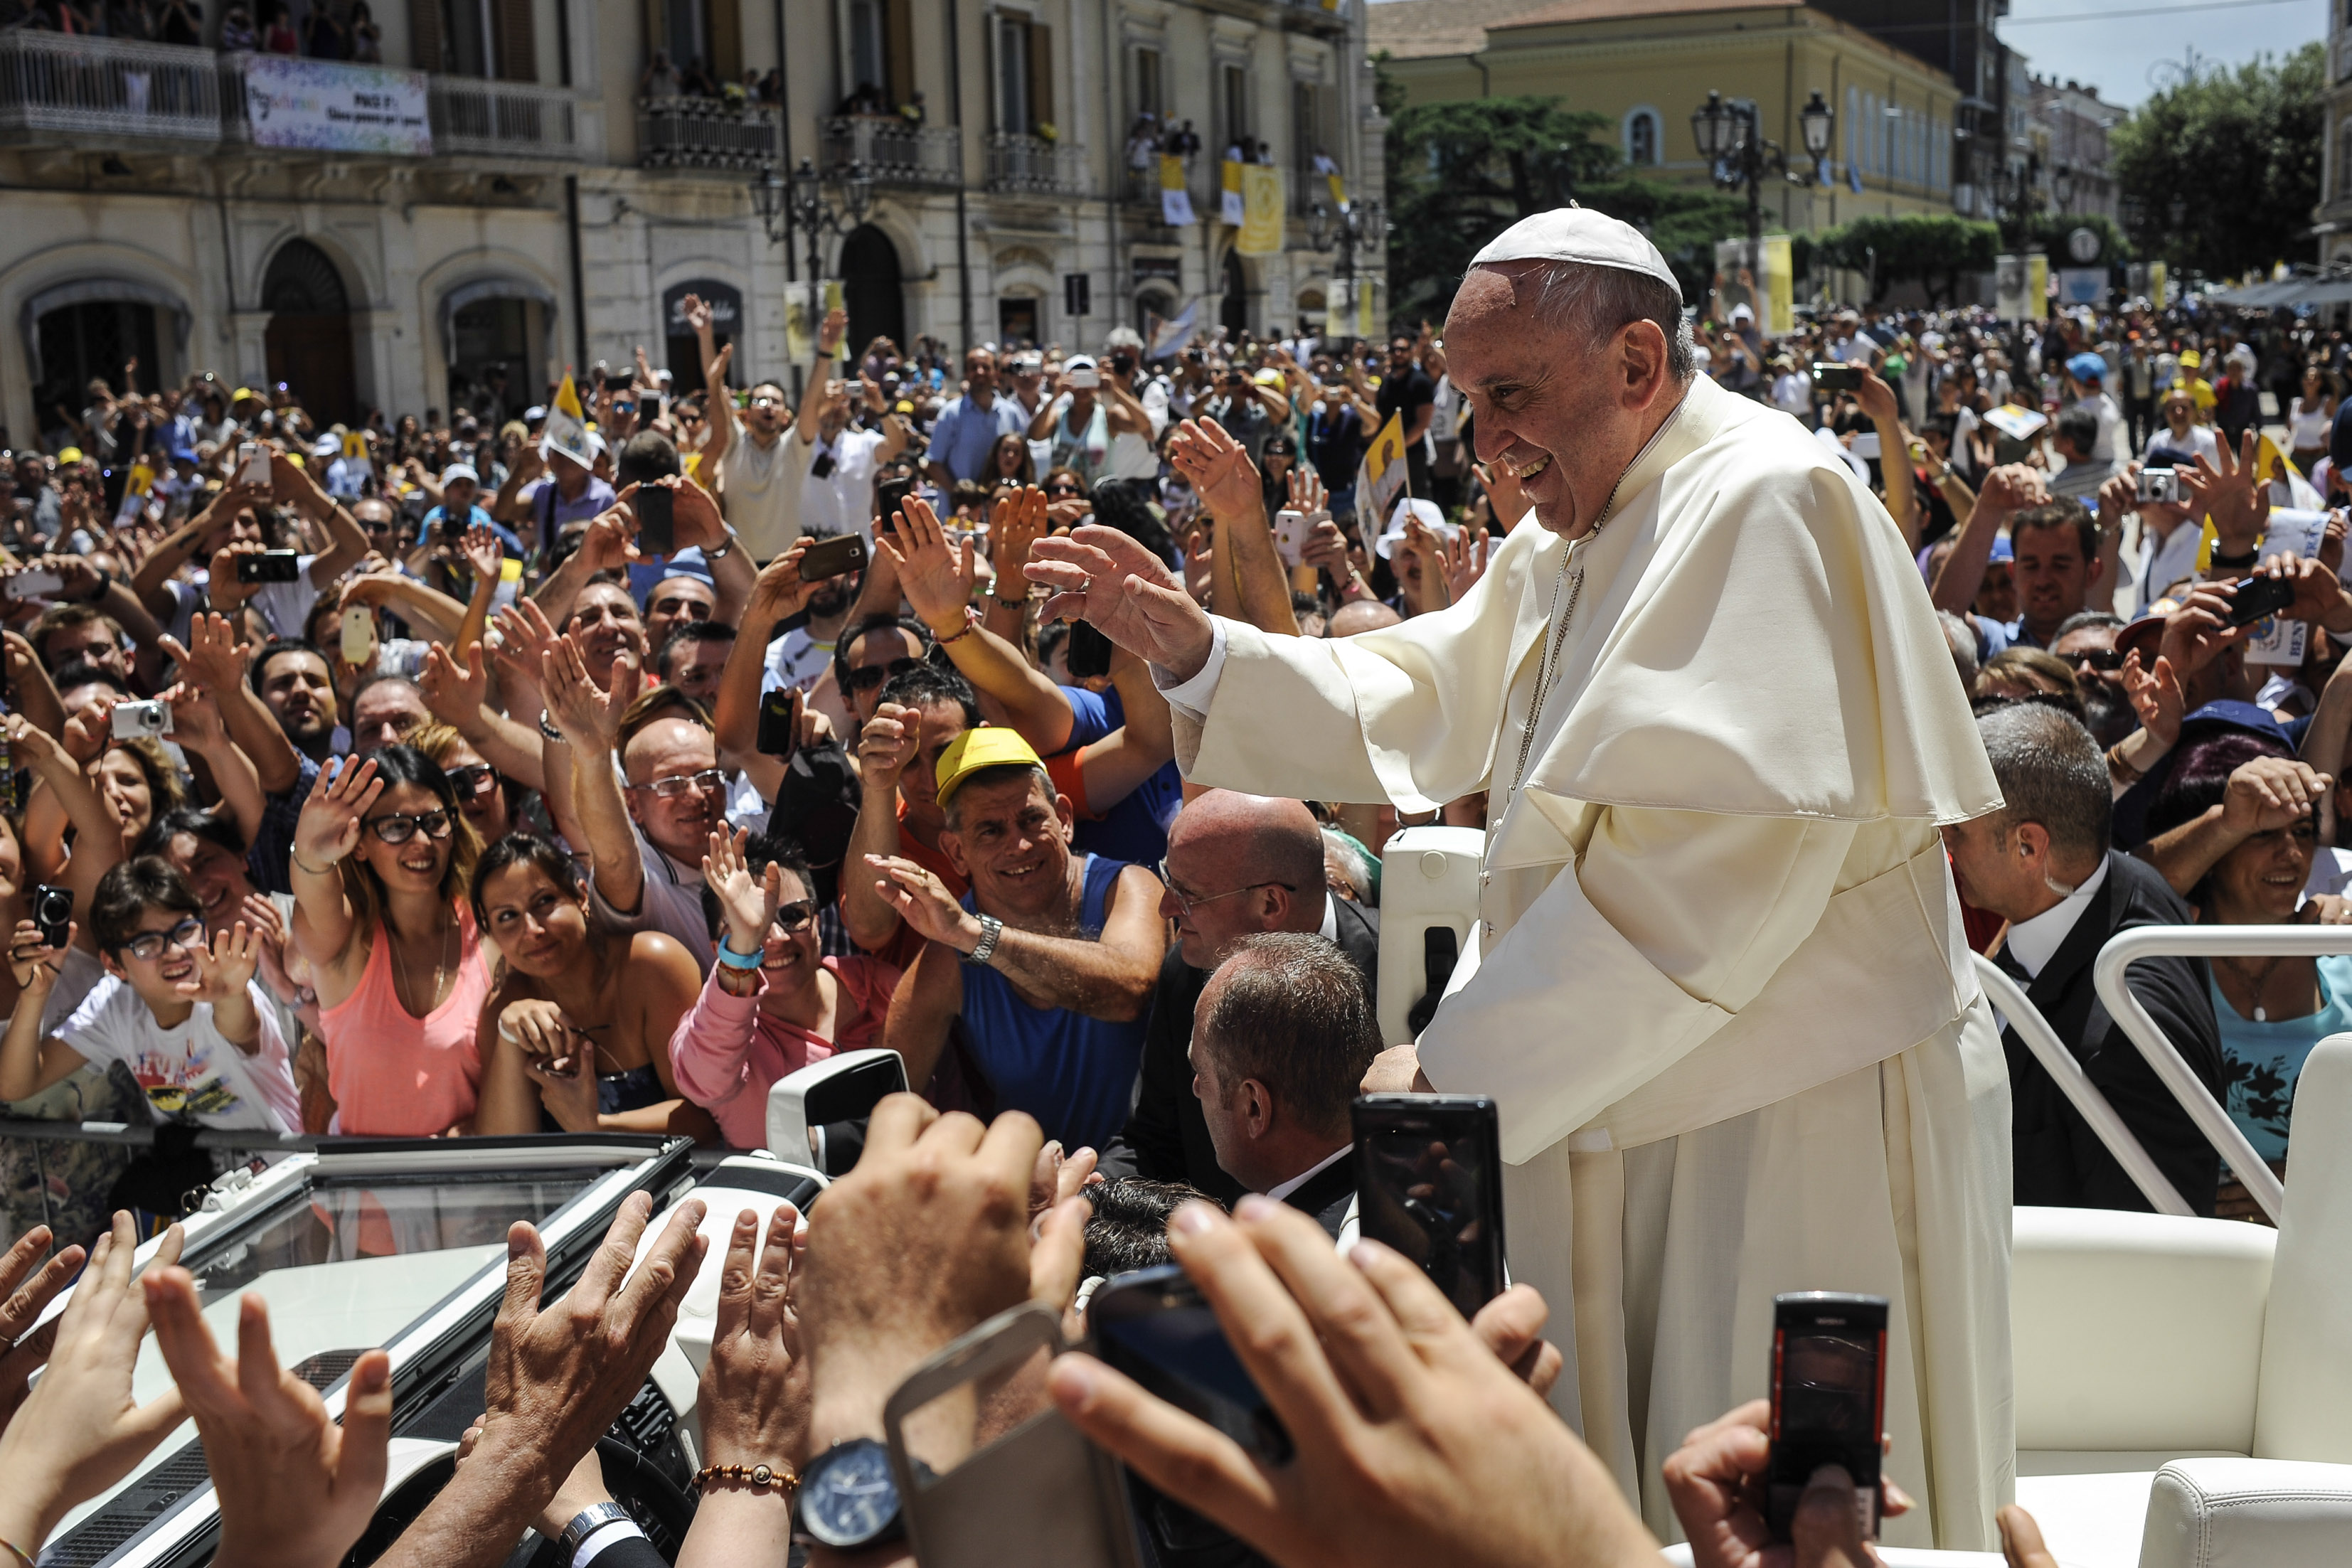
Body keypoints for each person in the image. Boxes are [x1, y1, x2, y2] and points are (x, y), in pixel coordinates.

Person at [1030, 208, 2009, 1547]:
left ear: (1635, 363)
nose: (1481, 441)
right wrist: (1199, 649)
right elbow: (1433, 684)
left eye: (1509, 394)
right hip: (1617, 1070)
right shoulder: (1585, 516)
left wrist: (1448, 1071)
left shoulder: (1764, 496)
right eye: (1468, 401)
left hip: (1782, 1113)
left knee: (1756, 1486)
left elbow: (1697, 889)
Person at [1943, 703, 2222, 1213]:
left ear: (2028, 846)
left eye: (1959, 828)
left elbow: (2149, 1243)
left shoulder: (2124, 1041)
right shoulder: (2117, 883)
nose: (1945, 843)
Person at [873, 727, 1165, 1148]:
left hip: (1150, 1175)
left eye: (1031, 819)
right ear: (956, 852)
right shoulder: (950, 954)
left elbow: (1129, 992)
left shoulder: (1127, 888)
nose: (1020, 844)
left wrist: (976, 936)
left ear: (1063, 819)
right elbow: (889, 1098)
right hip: (1030, 1183)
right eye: (990, 831)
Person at [1099, 789, 1379, 1206]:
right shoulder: (1190, 968)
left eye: (1188, 894)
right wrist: (1093, 1192)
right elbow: (1154, 1142)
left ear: (1270, 903)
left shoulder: (1399, 971)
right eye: (1168, 879)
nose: (1166, 908)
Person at [2139, 741, 2346, 1214]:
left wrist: (2313, 1180)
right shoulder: (2159, 961)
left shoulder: (2343, 953)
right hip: (2185, 1235)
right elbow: (2109, 898)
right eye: (2262, 833)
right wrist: (2226, 820)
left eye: (2302, 831)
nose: (2290, 853)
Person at [1, 858, 298, 1134]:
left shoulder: (225, 989)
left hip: (283, 1169)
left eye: (185, 931)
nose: (175, 951)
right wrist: (34, 995)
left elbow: (241, 1027)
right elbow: (15, 1086)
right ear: (114, 965)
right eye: (147, 944)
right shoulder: (114, 1005)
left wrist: (231, 996)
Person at [290, 747, 490, 1136]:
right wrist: (311, 856)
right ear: (358, 844)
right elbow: (316, 901)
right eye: (397, 828)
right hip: (366, 1175)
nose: (422, 840)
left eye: (435, 822)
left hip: (478, 1172)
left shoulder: (489, 927)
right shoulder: (345, 941)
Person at [468, 834, 713, 1139]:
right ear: (490, 933)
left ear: (581, 896)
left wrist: (598, 1126)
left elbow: (707, 1120)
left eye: (545, 901)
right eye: (507, 917)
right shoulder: (505, 1006)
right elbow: (503, 1150)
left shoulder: (652, 966)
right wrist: (509, 1039)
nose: (532, 930)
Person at [669, 830, 900, 1150]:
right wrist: (742, 953)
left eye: (793, 916)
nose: (777, 937)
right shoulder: (710, 1030)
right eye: (752, 926)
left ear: (818, 923)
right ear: (718, 949)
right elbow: (705, 1084)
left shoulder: (884, 987)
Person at [1188, 932, 1380, 1234]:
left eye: (1201, 1070)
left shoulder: (1287, 1260)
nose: (1197, 1086)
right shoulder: (1414, 1197)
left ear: (1254, 1107)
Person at [925, 347, 1028, 487]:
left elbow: (1023, 459)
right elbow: (933, 463)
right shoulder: (950, 413)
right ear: (966, 373)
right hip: (958, 501)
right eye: (974, 367)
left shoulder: (1012, 413)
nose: (980, 372)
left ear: (996, 372)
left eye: (986, 367)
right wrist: (959, 494)